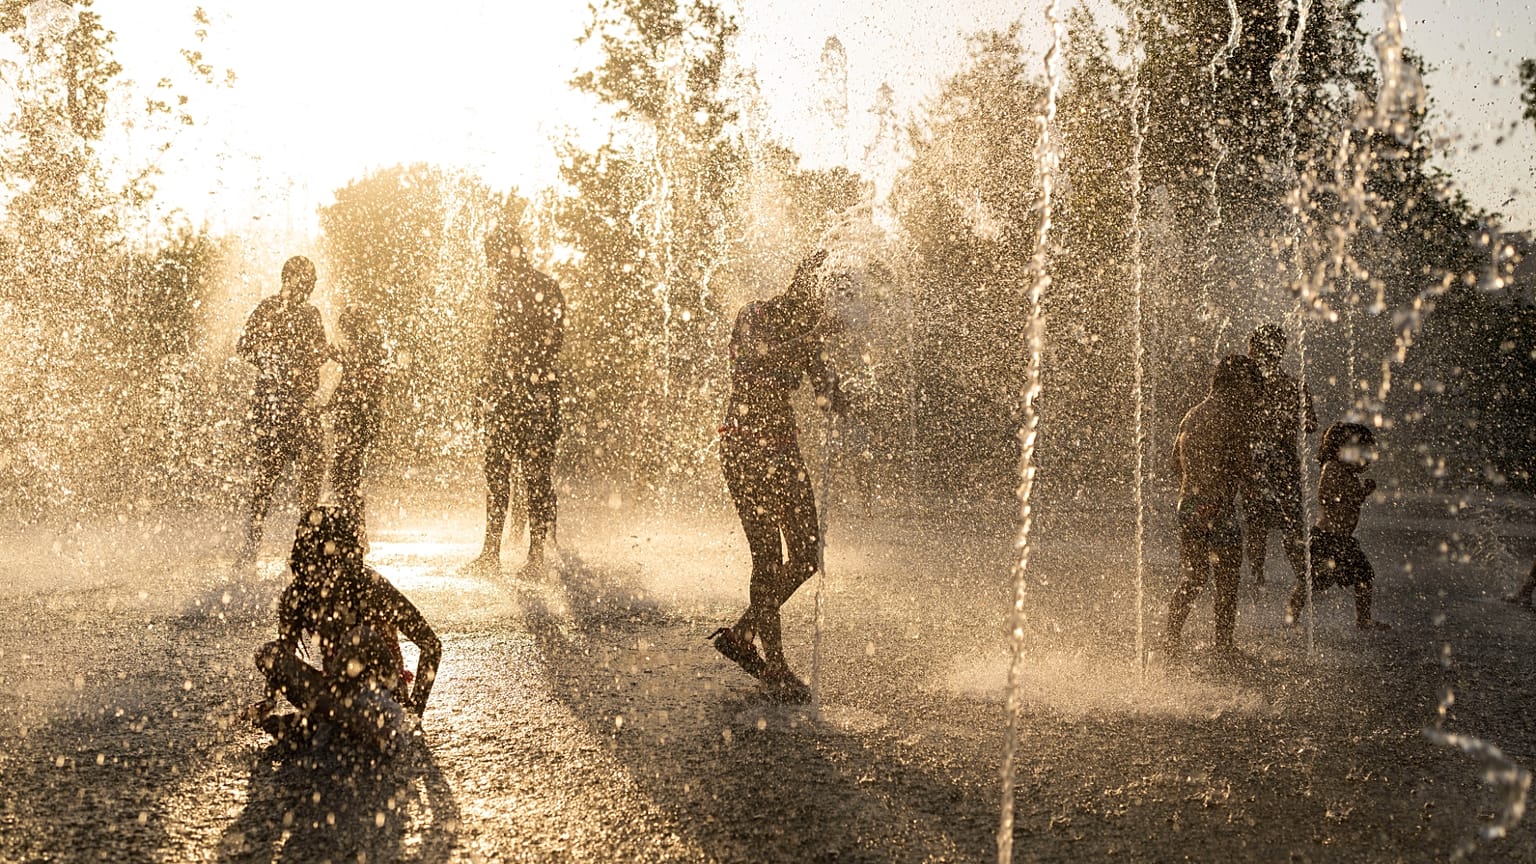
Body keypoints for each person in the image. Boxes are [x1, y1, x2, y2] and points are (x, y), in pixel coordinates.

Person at [709, 250, 847, 699]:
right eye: (822, 298)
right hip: (745, 447)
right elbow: (756, 360)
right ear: (802, 288)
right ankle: (776, 667)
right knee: (767, 557)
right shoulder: (755, 315)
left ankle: (744, 633)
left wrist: (838, 391)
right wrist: (813, 341)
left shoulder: (810, 336)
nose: (826, 309)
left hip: (783, 450)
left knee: (807, 555)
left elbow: (826, 397)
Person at [250, 507, 441, 749]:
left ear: (343, 554)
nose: (320, 568)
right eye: (312, 557)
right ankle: (332, 722)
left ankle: (316, 724)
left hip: (380, 698)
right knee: (269, 654)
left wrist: (415, 712)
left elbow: (431, 645)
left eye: (324, 557)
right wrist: (269, 701)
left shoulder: (372, 587)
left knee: (359, 638)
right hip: (330, 699)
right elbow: (285, 656)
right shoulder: (297, 595)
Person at [465, 222, 565, 576]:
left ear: (509, 252)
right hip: (516, 394)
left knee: (531, 474)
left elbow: (552, 343)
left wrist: (520, 373)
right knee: (501, 470)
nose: (491, 264)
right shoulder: (509, 288)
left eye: (493, 256)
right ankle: (493, 551)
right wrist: (484, 389)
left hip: (532, 394)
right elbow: (496, 345)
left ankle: (534, 555)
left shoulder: (541, 288)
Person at [1163, 354, 1261, 662]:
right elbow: (1245, 467)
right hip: (1217, 507)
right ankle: (1223, 645)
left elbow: (1172, 463)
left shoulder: (1192, 414)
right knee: (1228, 579)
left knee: (1193, 576)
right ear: (1236, 384)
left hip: (1189, 504)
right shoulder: (1233, 417)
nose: (1252, 392)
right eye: (1249, 384)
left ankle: (1171, 638)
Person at [235, 256, 330, 568]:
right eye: (308, 278)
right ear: (291, 279)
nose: (313, 284)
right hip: (275, 405)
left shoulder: (310, 313)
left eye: (314, 278)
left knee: (308, 472)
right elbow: (245, 347)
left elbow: (318, 353)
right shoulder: (269, 308)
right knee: (270, 474)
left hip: (299, 405)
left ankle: (303, 547)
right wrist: (277, 366)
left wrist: (309, 362)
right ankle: (252, 546)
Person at [1288, 422, 1390, 630]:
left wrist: (1360, 492)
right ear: (1338, 450)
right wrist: (1361, 492)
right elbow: (1331, 496)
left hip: (1342, 539)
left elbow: (1348, 497)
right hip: (1326, 538)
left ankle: (1363, 619)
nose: (1364, 458)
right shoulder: (1332, 468)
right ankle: (1292, 615)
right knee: (1312, 580)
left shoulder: (1346, 472)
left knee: (1364, 574)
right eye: (1359, 452)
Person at [1242, 324, 1317, 591]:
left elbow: (1239, 423)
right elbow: (1310, 425)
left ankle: (1257, 575)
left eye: (1252, 348)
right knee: (1291, 521)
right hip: (1285, 462)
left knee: (1257, 522)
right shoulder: (1294, 386)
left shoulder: (1248, 390)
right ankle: (1302, 574)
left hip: (1258, 463)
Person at [328, 305, 389, 545]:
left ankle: (357, 536)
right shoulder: (367, 351)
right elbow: (349, 383)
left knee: (345, 475)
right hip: (361, 419)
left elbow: (353, 386)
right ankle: (357, 533)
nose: (342, 333)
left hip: (357, 419)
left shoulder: (364, 353)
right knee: (346, 476)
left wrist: (331, 406)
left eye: (345, 328)